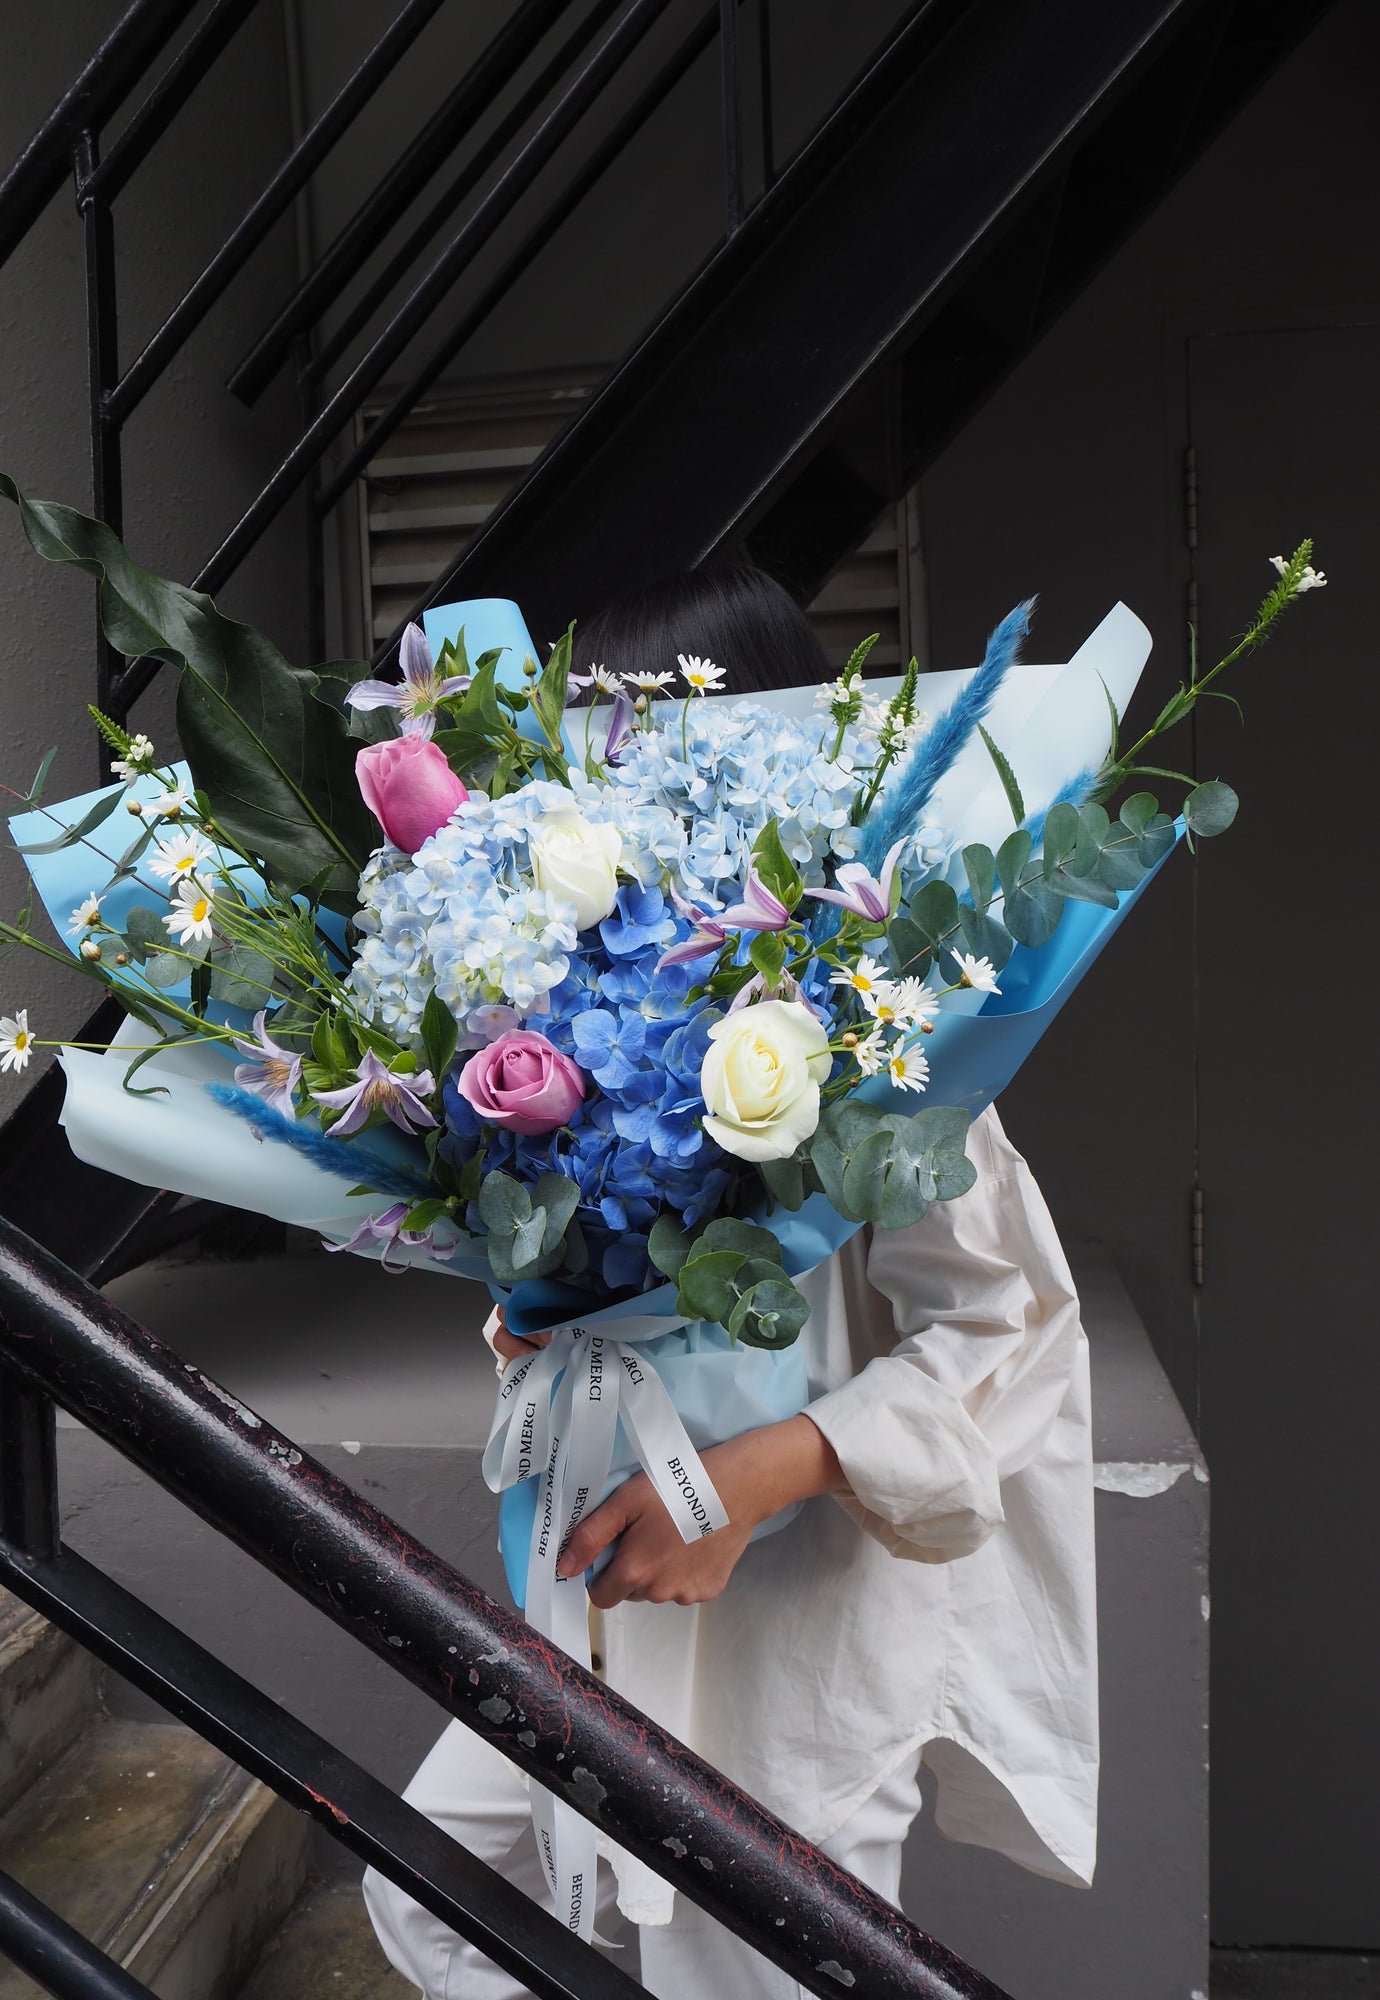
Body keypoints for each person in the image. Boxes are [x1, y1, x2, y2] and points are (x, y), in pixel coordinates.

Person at [365, 565, 1098, 1998]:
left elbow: (997, 1342)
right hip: (596, 1584)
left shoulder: (897, 1053)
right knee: (431, 1897)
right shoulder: (571, 1015)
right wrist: (531, 1317)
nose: (623, 791)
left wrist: (740, 1481)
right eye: (601, 755)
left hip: (788, 1635)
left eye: (654, 748)